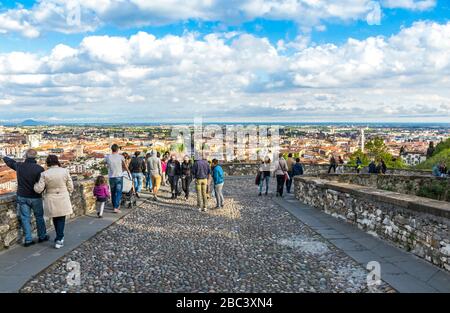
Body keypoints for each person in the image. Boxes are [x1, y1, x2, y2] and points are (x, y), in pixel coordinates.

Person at [2, 149, 49, 247]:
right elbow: (42, 184)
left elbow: (10, 163)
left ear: (26, 156)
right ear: (35, 157)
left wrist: (3, 156)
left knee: (25, 218)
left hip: (22, 196)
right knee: (39, 217)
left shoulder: (20, 166)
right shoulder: (39, 169)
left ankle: (28, 239)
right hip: (36, 197)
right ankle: (42, 236)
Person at [34, 155, 73, 249]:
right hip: (63, 196)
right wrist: (69, 192)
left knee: (55, 217)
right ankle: (60, 238)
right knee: (61, 217)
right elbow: (70, 186)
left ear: (48, 163)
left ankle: (59, 237)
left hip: (51, 197)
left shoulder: (44, 174)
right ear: (57, 161)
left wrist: (34, 184)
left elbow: (39, 189)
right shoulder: (65, 171)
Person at [106, 144, 128, 214]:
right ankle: (116, 207)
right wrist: (128, 171)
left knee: (112, 192)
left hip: (111, 176)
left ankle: (114, 205)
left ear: (111, 149)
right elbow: (125, 165)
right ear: (117, 149)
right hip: (119, 176)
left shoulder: (108, 157)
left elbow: (106, 164)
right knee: (118, 192)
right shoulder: (121, 157)